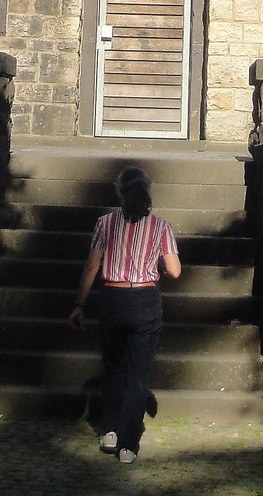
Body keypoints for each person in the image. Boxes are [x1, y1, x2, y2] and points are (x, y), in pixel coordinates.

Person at [68, 165, 181, 463]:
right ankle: (129, 443)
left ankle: (110, 431)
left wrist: (80, 304)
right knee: (138, 373)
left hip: (113, 298)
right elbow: (174, 270)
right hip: (144, 298)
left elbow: (92, 266)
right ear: (147, 191)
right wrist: (154, 268)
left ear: (120, 191)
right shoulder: (161, 227)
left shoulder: (105, 223)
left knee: (115, 367)